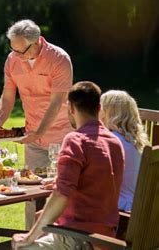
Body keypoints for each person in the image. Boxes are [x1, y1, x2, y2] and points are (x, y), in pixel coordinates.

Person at [11, 81, 125, 249]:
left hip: (79, 238)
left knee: (21, 246)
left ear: (70, 108)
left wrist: (29, 237)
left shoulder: (76, 140)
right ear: (99, 108)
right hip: (106, 238)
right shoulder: (115, 143)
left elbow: (61, 194)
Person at [0, 19, 73, 170]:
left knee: (62, 188)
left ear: (37, 42)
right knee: (33, 186)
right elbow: (7, 97)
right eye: (13, 50)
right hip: (32, 137)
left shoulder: (59, 59)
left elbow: (57, 102)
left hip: (61, 136)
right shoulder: (12, 60)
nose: (16, 56)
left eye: (20, 51)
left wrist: (39, 133)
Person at [100, 90, 149, 211]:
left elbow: (96, 179)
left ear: (108, 113)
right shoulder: (133, 140)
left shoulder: (114, 142)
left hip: (120, 208)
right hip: (137, 206)